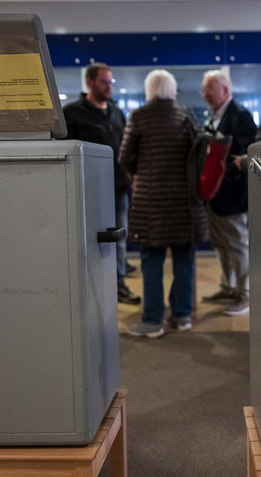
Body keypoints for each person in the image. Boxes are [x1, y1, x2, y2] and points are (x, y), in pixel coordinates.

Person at [119, 69, 209, 338]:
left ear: (149, 90)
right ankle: (182, 316)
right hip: (184, 203)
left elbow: (125, 158)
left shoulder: (138, 117)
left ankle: (153, 321)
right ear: (172, 90)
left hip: (151, 203)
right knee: (184, 260)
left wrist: (143, 171)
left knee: (152, 261)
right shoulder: (186, 116)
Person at [63, 62, 141, 306]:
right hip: (87, 188)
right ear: (89, 82)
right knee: (84, 238)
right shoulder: (72, 113)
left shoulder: (116, 112)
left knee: (118, 237)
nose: (109, 86)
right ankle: (87, 286)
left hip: (118, 187)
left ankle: (118, 285)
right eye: (104, 81)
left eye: (111, 82)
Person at [200, 70, 258, 315]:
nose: (205, 94)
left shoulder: (240, 115)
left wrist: (226, 173)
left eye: (210, 89)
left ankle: (245, 295)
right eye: (204, 90)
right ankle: (228, 287)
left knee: (237, 245)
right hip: (214, 196)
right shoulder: (213, 116)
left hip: (233, 196)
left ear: (225, 89)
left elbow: (247, 154)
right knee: (221, 244)